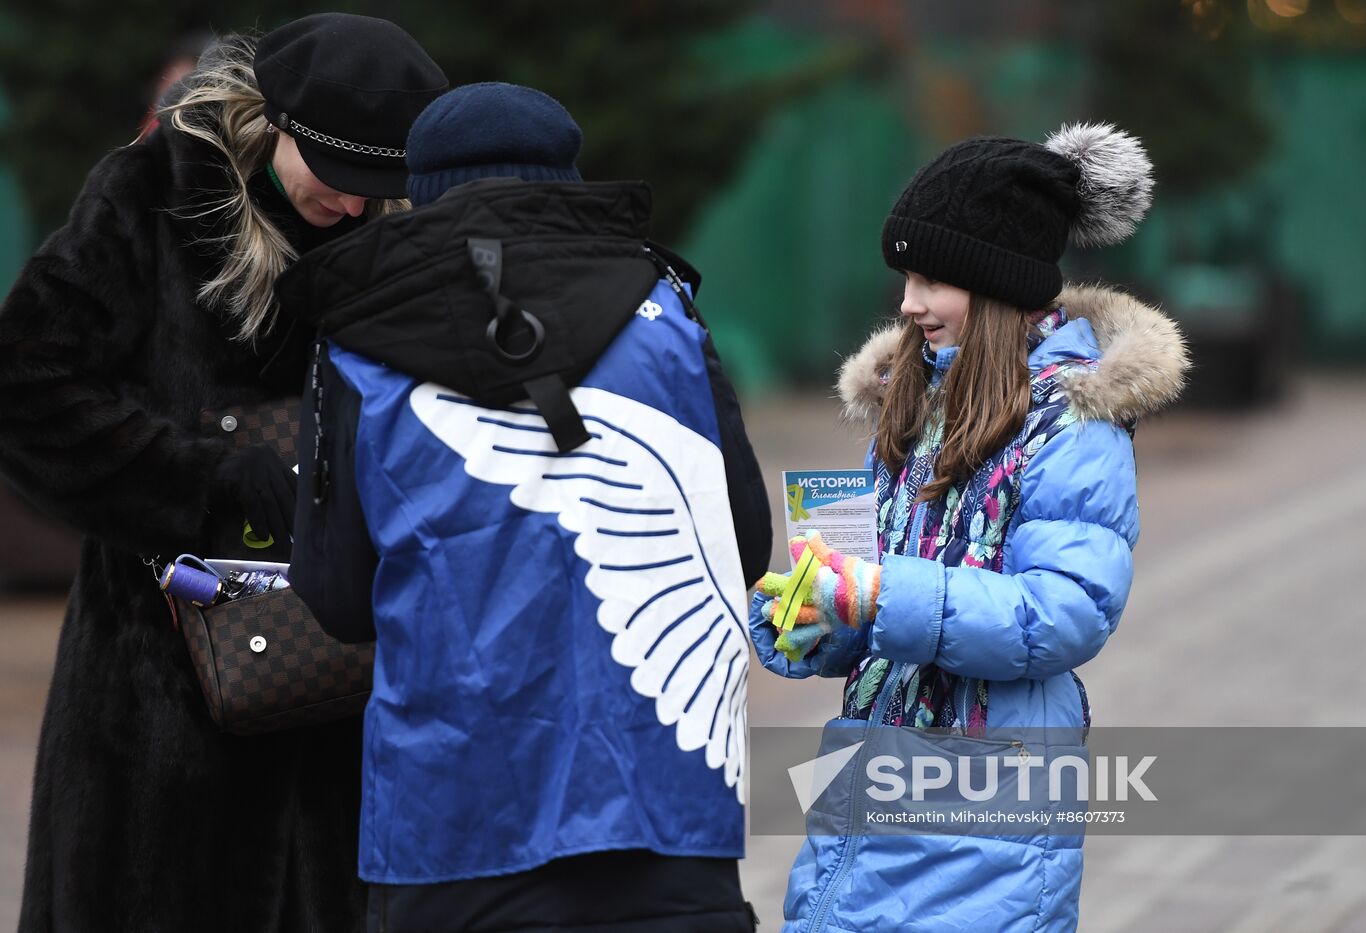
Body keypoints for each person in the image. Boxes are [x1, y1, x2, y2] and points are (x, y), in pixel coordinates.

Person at [284, 82, 770, 933]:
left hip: (451, 826)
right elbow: (746, 543)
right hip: (664, 808)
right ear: (568, 180)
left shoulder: (357, 341)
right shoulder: (667, 316)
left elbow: (338, 597)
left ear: (422, 191)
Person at [0, 14, 446, 931]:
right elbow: (25, 386)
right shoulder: (152, 197)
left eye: (380, 187)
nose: (358, 207)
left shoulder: (397, 238)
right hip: (158, 700)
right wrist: (201, 479)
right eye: (342, 179)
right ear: (279, 124)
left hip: (349, 708)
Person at [749, 124, 1189, 931]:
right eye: (906, 279)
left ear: (997, 286)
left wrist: (884, 593)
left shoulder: (1073, 422)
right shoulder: (914, 405)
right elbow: (881, 602)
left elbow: (1065, 612)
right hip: (873, 766)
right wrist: (823, 612)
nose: (909, 304)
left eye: (931, 280)